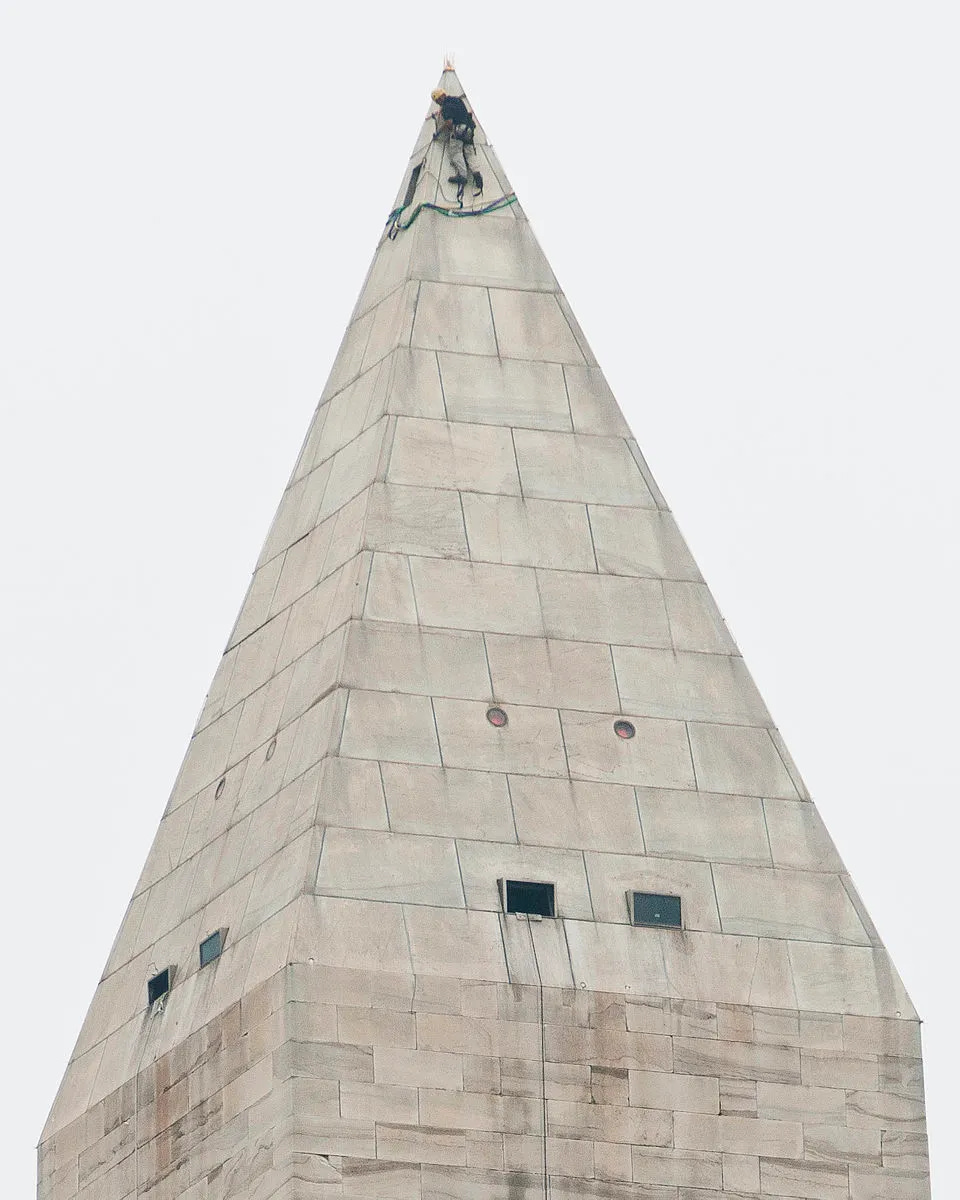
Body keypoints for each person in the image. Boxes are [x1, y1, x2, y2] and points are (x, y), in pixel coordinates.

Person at [431, 89, 483, 194]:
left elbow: (449, 123)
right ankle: (476, 173)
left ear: (441, 97)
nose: (438, 103)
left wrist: (438, 132)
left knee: (455, 151)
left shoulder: (446, 106)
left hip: (459, 128)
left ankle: (462, 176)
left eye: (437, 101)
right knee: (469, 153)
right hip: (469, 130)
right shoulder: (458, 100)